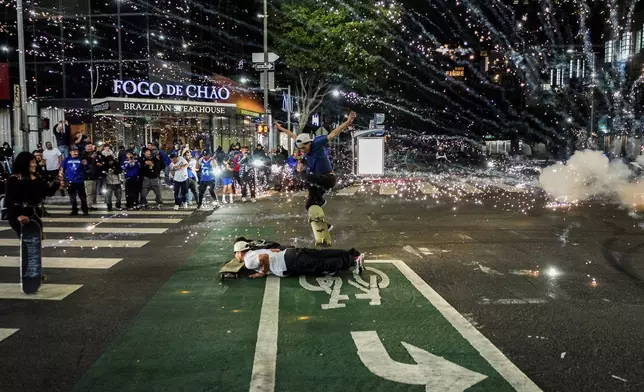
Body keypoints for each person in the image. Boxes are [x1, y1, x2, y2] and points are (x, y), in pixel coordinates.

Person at [275, 112, 356, 214]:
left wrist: (348, 122)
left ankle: (321, 200)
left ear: (309, 142)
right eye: (301, 149)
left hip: (328, 178)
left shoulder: (317, 143)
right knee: (309, 205)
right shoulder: (300, 143)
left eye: (304, 148)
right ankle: (324, 225)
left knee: (305, 176)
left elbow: (333, 133)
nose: (303, 151)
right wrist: (281, 129)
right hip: (318, 182)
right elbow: (293, 135)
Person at [233, 240, 364, 279]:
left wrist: (263, 272)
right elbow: (274, 250)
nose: (235, 256)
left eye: (235, 253)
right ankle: (351, 254)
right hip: (289, 252)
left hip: (287, 262)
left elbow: (264, 257)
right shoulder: (254, 251)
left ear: (240, 252)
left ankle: (353, 262)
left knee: (320, 264)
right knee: (321, 254)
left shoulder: (248, 262)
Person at [5, 152, 62, 238]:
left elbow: (48, 192)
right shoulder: (15, 178)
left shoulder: (37, 177)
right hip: (20, 215)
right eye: (32, 162)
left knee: (36, 244)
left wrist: (57, 182)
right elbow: (10, 200)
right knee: (27, 243)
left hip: (34, 215)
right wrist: (18, 216)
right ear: (24, 163)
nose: (35, 164)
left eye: (35, 162)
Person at [60, 146, 89, 215]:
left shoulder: (81, 159)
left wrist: (86, 164)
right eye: (74, 151)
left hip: (79, 181)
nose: (76, 153)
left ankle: (85, 210)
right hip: (70, 182)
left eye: (77, 151)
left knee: (82, 197)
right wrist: (61, 179)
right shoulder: (66, 159)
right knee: (72, 198)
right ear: (70, 152)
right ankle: (74, 210)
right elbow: (62, 169)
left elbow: (87, 168)